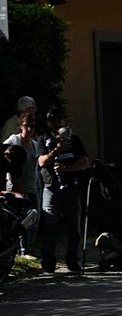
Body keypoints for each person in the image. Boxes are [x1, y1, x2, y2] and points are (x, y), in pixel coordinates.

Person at [38, 108, 93, 271]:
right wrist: (56, 150)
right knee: (49, 225)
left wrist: (67, 169)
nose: (56, 123)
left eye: (59, 119)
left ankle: (72, 260)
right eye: (52, 120)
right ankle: (48, 262)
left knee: (74, 227)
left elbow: (85, 161)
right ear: (48, 123)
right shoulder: (44, 139)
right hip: (51, 188)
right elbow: (41, 162)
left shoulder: (74, 140)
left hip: (72, 187)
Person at [4, 112, 40, 255]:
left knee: (33, 218)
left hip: (32, 185)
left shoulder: (35, 144)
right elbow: (6, 156)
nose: (30, 129)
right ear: (20, 126)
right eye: (27, 126)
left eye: (33, 126)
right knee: (19, 218)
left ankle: (28, 247)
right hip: (16, 185)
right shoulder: (14, 140)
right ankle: (21, 249)